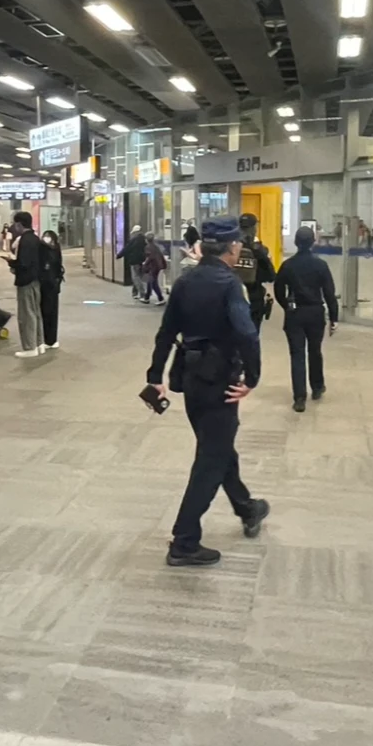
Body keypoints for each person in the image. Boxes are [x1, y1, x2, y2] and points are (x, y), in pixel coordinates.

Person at [146, 216, 271, 567]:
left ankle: (247, 508)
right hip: (220, 382)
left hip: (190, 379)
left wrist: (155, 374)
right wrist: (252, 378)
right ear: (232, 248)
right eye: (238, 244)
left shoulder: (185, 281)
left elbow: (166, 332)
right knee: (210, 460)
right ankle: (184, 541)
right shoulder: (230, 284)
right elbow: (247, 334)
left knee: (217, 448)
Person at [274, 226, 339, 412]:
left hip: (295, 314)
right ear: (313, 242)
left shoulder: (288, 265)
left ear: (296, 242)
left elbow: (278, 289)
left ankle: (299, 398)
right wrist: (333, 318)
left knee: (297, 355)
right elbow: (329, 293)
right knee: (315, 351)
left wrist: (286, 305)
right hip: (315, 312)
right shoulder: (321, 265)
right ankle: (317, 387)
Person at [9, 211, 45, 358]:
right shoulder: (35, 238)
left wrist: (12, 263)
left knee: (26, 314)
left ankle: (30, 347)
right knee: (36, 312)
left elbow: (23, 263)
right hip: (36, 280)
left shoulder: (24, 240)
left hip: (25, 281)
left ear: (19, 224)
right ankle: (39, 343)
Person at [233, 213, 277, 330]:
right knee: (252, 332)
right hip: (254, 297)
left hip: (232, 296)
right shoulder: (261, 250)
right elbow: (270, 276)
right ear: (254, 228)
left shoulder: (229, 249)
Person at [40, 228, 65, 349]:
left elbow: (56, 266)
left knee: (50, 312)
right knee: (46, 312)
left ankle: (51, 340)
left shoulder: (53, 251)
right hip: (49, 285)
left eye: (48, 237)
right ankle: (48, 338)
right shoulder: (46, 250)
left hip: (51, 285)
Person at [117, 225, 147, 300]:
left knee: (136, 277)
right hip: (142, 260)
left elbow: (127, 248)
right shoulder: (144, 239)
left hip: (134, 260)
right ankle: (135, 293)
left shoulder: (134, 240)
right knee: (138, 276)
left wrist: (119, 255)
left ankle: (142, 294)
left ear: (135, 232)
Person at [140, 232, 167, 304]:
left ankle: (161, 299)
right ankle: (146, 297)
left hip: (153, 266)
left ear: (146, 239)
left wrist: (145, 264)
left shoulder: (148, 247)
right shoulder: (155, 246)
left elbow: (150, 257)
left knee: (154, 283)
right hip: (157, 266)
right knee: (150, 282)